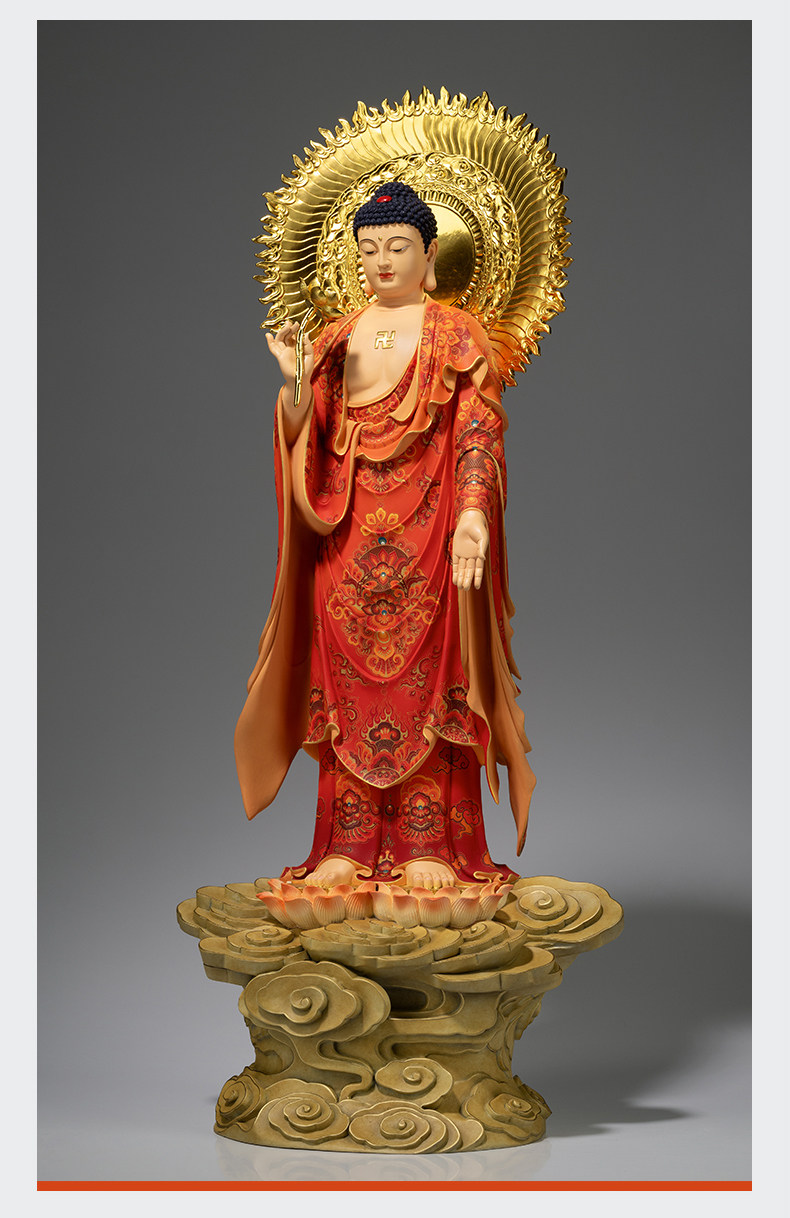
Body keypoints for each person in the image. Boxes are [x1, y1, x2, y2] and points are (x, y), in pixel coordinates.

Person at [234, 182, 535, 890]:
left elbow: (478, 431)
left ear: (431, 255)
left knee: (430, 679)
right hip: (344, 538)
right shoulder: (338, 337)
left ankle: (431, 843)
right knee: (344, 686)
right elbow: (309, 436)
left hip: (430, 534)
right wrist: (295, 387)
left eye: (398, 246)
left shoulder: (455, 333)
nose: (383, 261)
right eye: (368, 249)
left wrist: (472, 516)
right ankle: (348, 842)